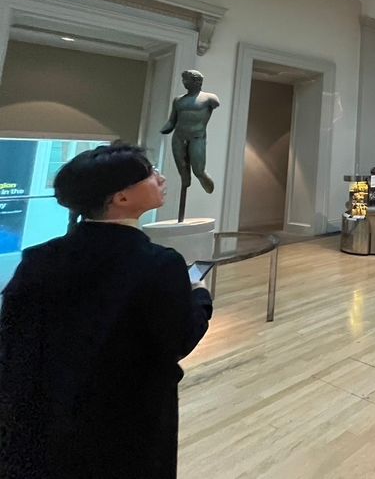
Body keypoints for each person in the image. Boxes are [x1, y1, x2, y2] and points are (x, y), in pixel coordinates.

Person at [0, 143, 213, 478]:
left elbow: (13, 337)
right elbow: (179, 338)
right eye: (149, 173)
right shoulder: (159, 264)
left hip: (44, 419)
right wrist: (200, 295)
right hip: (128, 421)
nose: (160, 178)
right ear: (121, 197)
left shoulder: (39, 258)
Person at [160, 69, 220, 221]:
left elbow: (215, 105)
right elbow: (172, 120)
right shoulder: (178, 100)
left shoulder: (209, 99)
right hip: (179, 136)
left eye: (187, 80)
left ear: (197, 81)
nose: (184, 83)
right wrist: (165, 128)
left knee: (198, 170)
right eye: (184, 80)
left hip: (197, 136)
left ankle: (204, 179)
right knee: (183, 171)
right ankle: (185, 182)